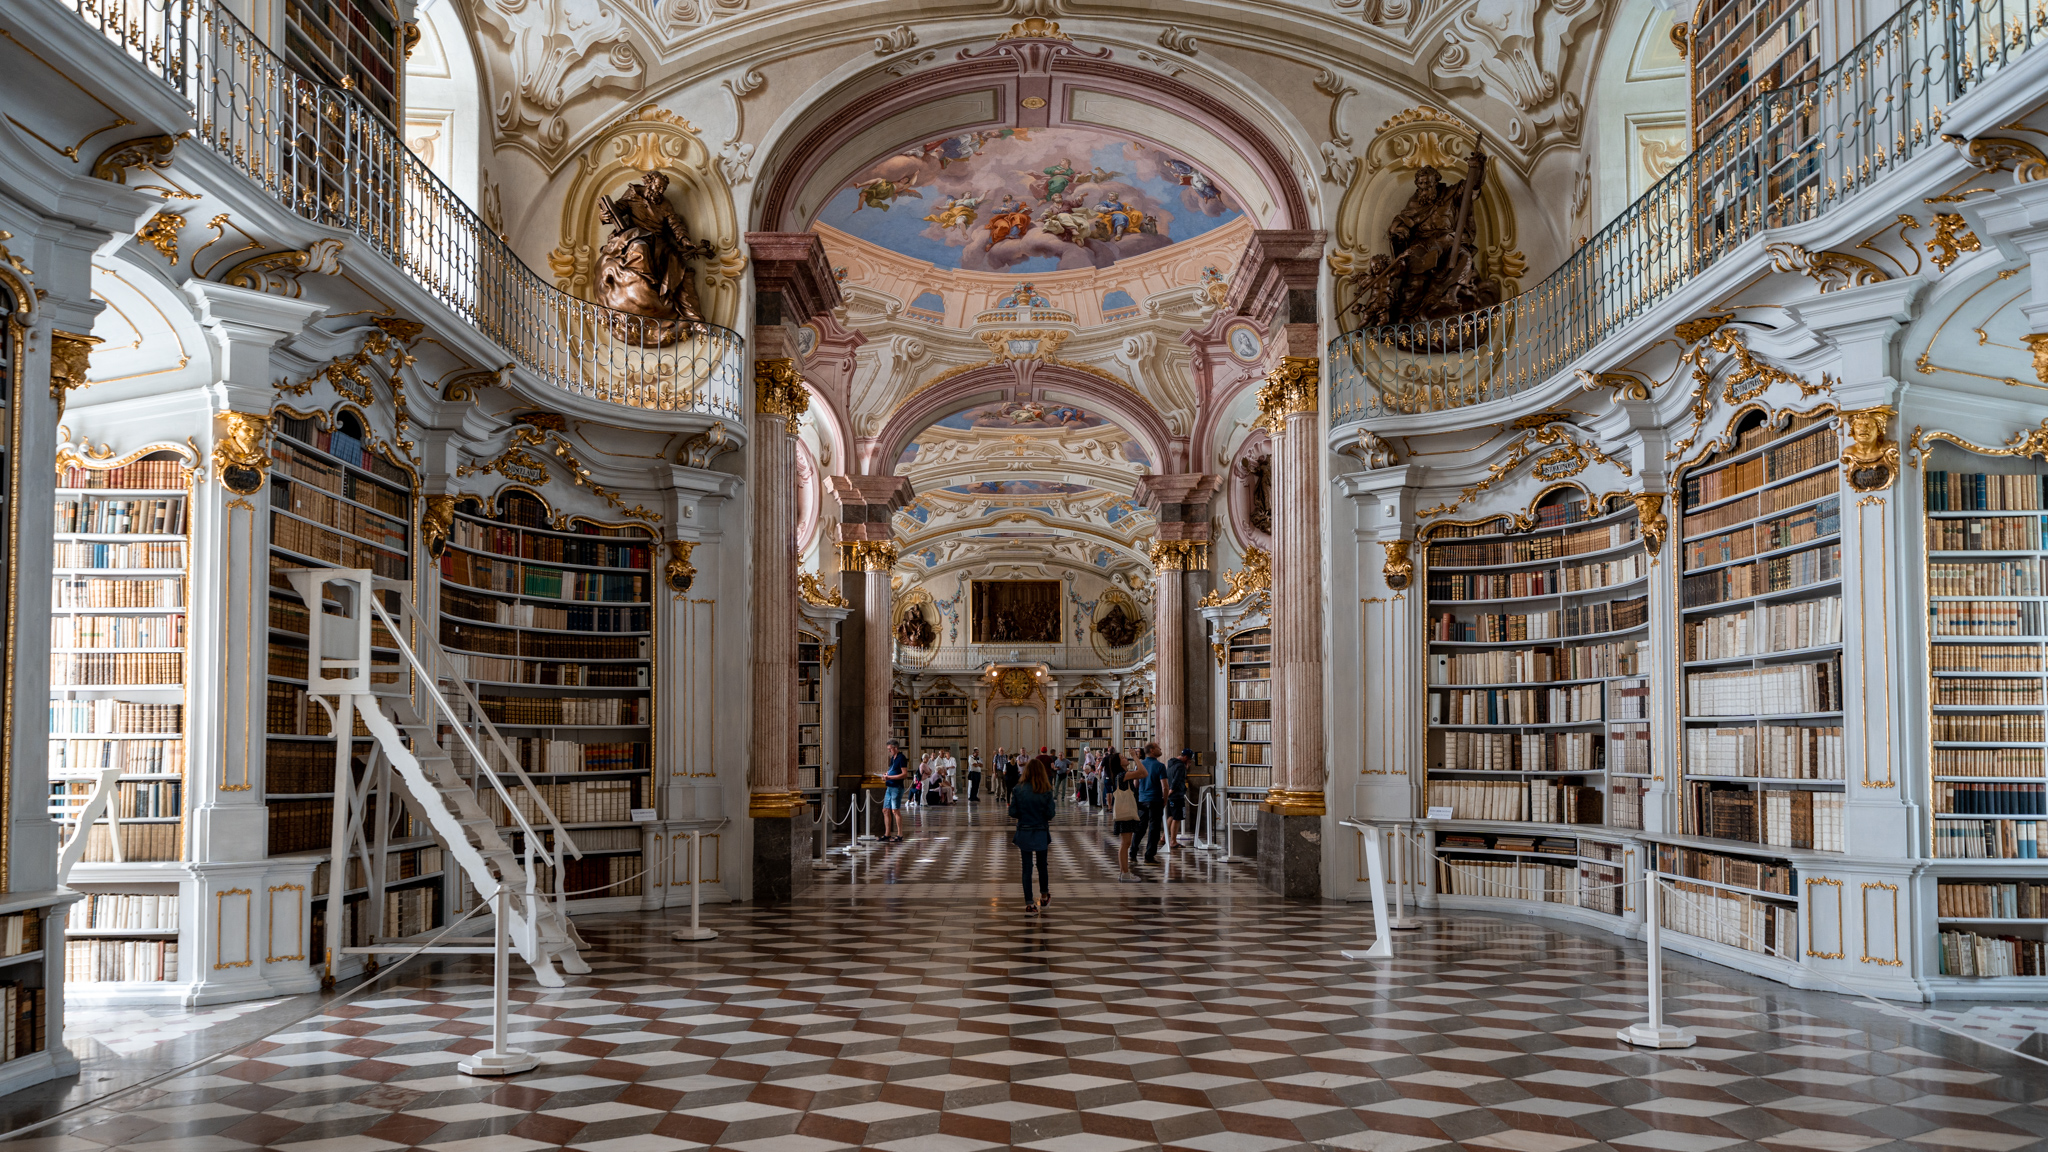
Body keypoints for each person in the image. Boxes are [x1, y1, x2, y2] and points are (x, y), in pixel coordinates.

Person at [1010, 755, 1057, 913]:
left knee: (1026, 868)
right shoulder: (1046, 789)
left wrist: (1024, 814)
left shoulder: (1018, 789)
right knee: (1042, 865)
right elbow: (1050, 814)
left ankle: (1029, 904)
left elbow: (1012, 811)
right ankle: (1044, 896)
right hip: (1041, 831)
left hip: (1024, 830)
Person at [1108, 751, 1145, 880]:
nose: (1125, 758)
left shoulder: (1121, 775)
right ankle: (1124, 873)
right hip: (1125, 813)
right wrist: (1136, 757)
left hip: (1125, 812)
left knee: (1126, 843)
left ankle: (1124, 872)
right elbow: (1144, 773)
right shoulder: (1123, 775)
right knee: (1125, 843)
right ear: (1118, 763)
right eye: (1122, 757)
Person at [1135, 742, 1166, 864]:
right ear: (1152, 750)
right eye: (1158, 748)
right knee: (1154, 829)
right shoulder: (1160, 766)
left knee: (1140, 827)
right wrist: (1165, 800)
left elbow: (1135, 784)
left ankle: (1133, 851)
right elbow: (1165, 786)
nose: (1160, 749)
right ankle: (1149, 855)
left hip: (1142, 799)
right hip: (1155, 799)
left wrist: (1141, 793)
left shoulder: (1140, 764)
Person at [1165, 748, 1192, 849]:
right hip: (1177, 795)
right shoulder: (1181, 766)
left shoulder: (1171, 763)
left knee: (1171, 816)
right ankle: (1173, 841)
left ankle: (1164, 838)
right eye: (1189, 759)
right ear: (1185, 757)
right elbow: (1177, 780)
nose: (1190, 761)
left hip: (1171, 795)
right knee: (1177, 818)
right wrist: (1171, 790)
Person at [881, 739, 908, 842]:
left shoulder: (902, 758)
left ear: (895, 748)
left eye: (890, 749)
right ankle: (887, 834)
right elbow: (892, 770)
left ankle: (900, 834)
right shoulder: (893, 758)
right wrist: (886, 775)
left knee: (895, 810)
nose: (889, 751)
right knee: (885, 810)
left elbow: (904, 774)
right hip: (890, 786)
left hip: (896, 787)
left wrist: (890, 778)